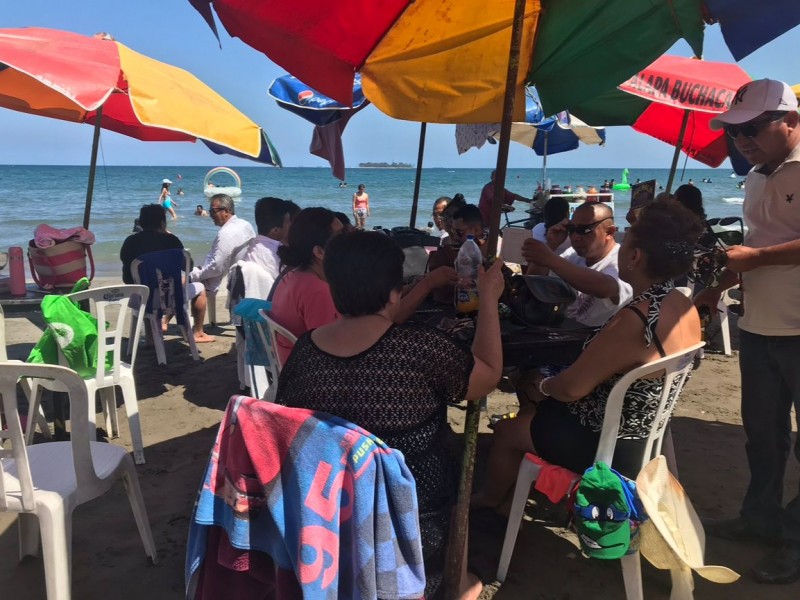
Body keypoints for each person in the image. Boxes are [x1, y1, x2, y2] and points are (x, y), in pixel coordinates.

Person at [275, 230, 505, 600]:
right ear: (396, 290)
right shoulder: (420, 349)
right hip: (412, 522)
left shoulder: (305, 351)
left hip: (332, 516)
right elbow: (489, 374)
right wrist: (490, 300)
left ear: (331, 287)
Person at [473, 199, 703, 510]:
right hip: (644, 437)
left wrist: (542, 385)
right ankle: (527, 489)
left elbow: (570, 389)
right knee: (534, 406)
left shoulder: (635, 318)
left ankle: (489, 502)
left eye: (624, 244)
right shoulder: (682, 305)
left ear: (634, 257)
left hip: (607, 445)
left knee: (506, 431)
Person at [695, 79, 800, 584]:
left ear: (791, 122)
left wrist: (757, 258)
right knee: (763, 435)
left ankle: (795, 540)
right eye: (735, 132)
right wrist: (720, 284)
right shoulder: (758, 175)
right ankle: (758, 518)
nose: (743, 140)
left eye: (754, 128)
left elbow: (762, 250)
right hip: (757, 325)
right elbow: (758, 244)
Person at [523, 203, 633, 327]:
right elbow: (534, 287)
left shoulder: (622, 260)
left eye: (584, 230)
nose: (575, 237)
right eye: (571, 229)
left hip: (595, 339)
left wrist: (550, 259)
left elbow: (606, 288)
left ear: (609, 231)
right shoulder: (572, 255)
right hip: (562, 334)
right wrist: (551, 245)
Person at [119, 204, 215, 343]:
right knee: (200, 288)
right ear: (163, 223)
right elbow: (189, 266)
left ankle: (151, 338)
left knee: (145, 285)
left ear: (140, 223)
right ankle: (198, 333)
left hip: (141, 298)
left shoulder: (130, 242)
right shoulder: (171, 240)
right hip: (171, 297)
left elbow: (127, 276)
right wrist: (168, 235)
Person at [189, 193, 255, 304]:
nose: (210, 215)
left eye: (213, 211)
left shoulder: (225, 234)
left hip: (222, 281)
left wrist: (197, 274)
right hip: (245, 274)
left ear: (227, 211)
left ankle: (166, 320)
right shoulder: (245, 224)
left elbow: (216, 268)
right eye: (210, 211)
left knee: (183, 283)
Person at [242, 197, 290, 281]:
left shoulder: (253, 246)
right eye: (287, 222)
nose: (290, 225)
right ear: (275, 230)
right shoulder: (276, 257)